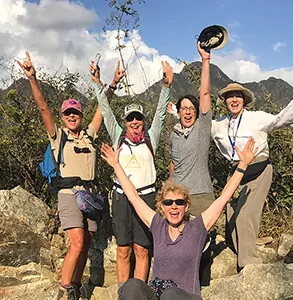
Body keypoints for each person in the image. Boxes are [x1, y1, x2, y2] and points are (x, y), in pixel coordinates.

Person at [100, 137, 257, 300]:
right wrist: (117, 165)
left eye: (179, 202)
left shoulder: (197, 228)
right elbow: (133, 196)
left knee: (169, 295)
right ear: (162, 206)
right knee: (132, 285)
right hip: (157, 294)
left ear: (186, 206)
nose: (174, 206)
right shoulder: (157, 225)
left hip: (186, 296)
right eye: (168, 202)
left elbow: (223, 198)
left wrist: (243, 165)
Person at [17, 52, 103, 300]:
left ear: (80, 114)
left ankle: (75, 284)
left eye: (75, 112)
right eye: (67, 113)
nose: (72, 116)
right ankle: (64, 290)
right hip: (68, 194)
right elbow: (43, 107)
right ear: (63, 117)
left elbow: (102, 110)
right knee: (76, 241)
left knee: (86, 243)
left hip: (91, 194)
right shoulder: (58, 136)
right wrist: (33, 79)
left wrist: (107, 84)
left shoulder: (89, 135)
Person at [91, 60, 173, 285]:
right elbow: (106, 110)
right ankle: (122, 293)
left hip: (146, 197)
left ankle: (138, 293)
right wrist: (98, 82)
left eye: (138, 118)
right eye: (130, 118)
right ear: (125, 122)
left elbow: (161, 115)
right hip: (121, 197)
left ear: (143, 121)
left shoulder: (151, 138)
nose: (135, 122)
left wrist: (166, 87)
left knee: (143, 249)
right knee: (123, 249)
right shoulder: (118, 136)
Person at [209, 75, 293, 270]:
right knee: (231, 217)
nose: (234, 100)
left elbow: (282, 119)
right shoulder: (219, 124)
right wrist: (177, 112)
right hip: (236, 172)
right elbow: (200, 127)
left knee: (245, 216)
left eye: (238, 96)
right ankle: (239, 253)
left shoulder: (257, 117)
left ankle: (251, 267)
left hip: (258, 169)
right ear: (225, 101)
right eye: (230, 97)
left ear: (244, 100)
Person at [168, 42, 215, 286]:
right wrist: (168, 189)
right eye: (183, 108)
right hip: (179, 198)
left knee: (203, 247)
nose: (187, 111)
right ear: (177, 112)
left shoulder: (201, 129)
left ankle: (202, 288)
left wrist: (205, 60)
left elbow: (205, 94)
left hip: (202, 195)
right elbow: (173, 164)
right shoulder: (174, 134)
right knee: (180, 249)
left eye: (191, 108)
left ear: (196, 112)